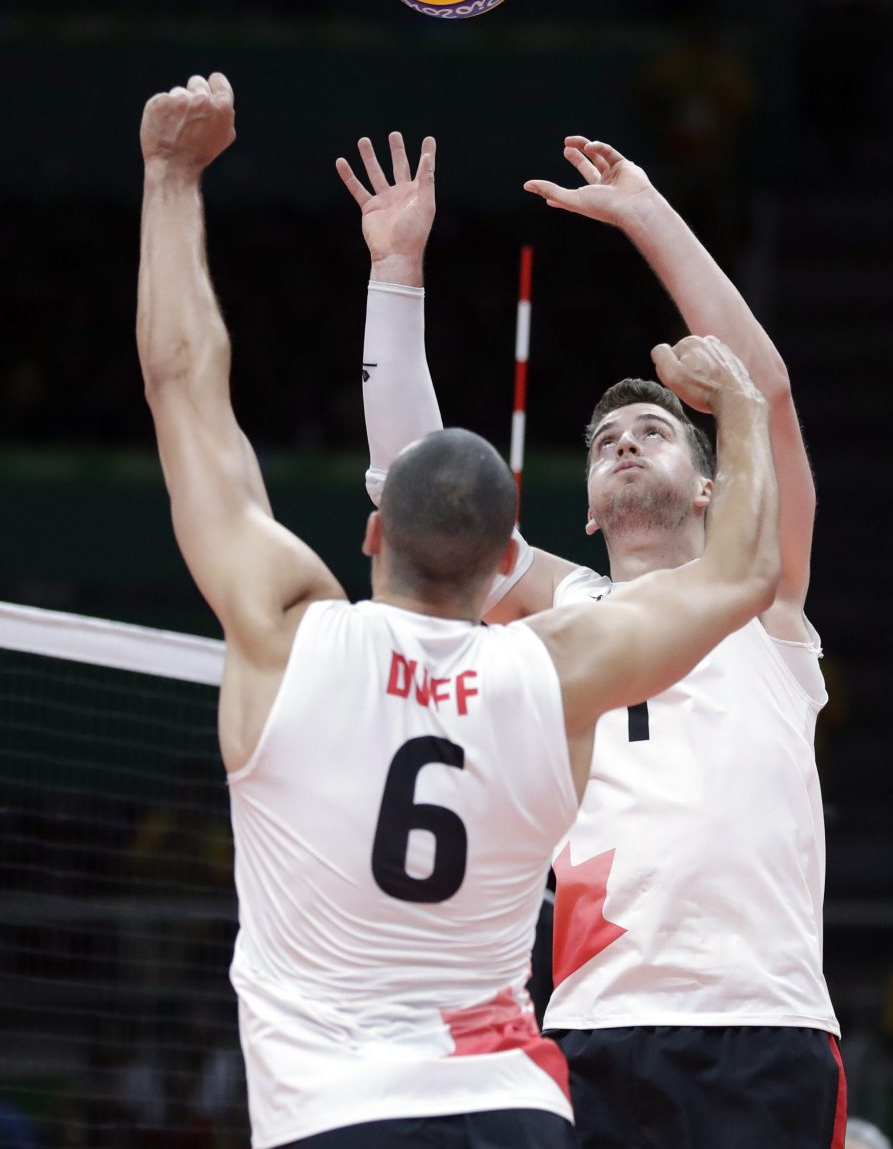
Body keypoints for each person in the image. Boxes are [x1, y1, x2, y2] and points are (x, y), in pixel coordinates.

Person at [137, 75, 779, 1149]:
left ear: (373, 533)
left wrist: (170, 176)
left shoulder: (289, 629)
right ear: (502, 573)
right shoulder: (558, 659)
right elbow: (741, 575)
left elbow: (182, 382)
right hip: (512, 1108)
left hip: (338, 1113)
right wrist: (745, 409)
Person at [340, 131, 845, 1149]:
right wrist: (393, 271)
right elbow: (419, 488)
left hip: (765, 1024)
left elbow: (767, 392)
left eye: (651, 430)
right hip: (590, 1025)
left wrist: (646, 212)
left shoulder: (760, 592)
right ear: (582, 509)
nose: (622, 439)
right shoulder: (562, 611)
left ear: (709, 485)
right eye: (605, 439)